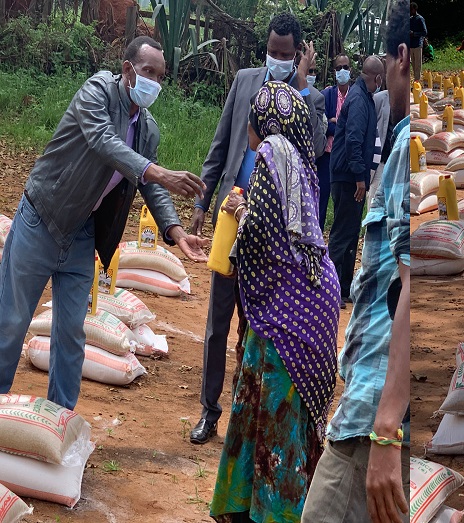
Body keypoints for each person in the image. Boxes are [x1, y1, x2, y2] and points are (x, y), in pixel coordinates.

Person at [0, 36, 208, 410]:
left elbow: (149, 187)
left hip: (82, 232)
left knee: (71, 334)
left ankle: (59, 420)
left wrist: (176, 232)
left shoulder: (148, 129)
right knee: (12, 321)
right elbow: (102, 141)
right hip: (42, 217)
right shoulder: (97, 90)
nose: (155, 83)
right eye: (148, 72)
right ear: (128, 70)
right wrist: (157, 172)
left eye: (161, 76)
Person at [188, 12, 328, 446]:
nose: (278, 59)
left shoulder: (312, 96)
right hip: (233, 217)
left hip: (276, 235)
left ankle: (244, 417)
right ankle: (209, 411)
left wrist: (300, 83)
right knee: (217, 320)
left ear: (299, 54)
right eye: (273, 51)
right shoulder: (245, 81)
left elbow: (316, 144)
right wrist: (201, 202)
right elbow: (219, 145)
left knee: (260, 327)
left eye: (286, 55)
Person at [208, 80, 340, 523]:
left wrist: (237, 212)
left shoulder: (268, 155)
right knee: (270, 403)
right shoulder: (300, 160)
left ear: (261, 122)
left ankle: (274, 513)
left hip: (288, 311)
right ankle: (248, 505)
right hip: (313, 299)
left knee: (275, 412)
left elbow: (262, 233)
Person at [302, 0, 410, 519]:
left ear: (400, 59)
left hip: (373, 412)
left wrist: (387, 427)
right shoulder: (374, 111)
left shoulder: (407, 142)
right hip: (376, 402)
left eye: (382, 67)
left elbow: (406, 287)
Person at [328, 55, 383, 309]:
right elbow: (353, 141)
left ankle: (344, 287)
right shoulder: (360, 99)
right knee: (342, 233)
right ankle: (326, 286)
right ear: (378, 78)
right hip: (348, 177)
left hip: (351, 175)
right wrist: (361, 177)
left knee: (351, 234)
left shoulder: (363, 95)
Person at [319, 54, 352, 232]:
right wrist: (340, 126)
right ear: (334, 71)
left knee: (342, 200)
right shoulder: (327, 95)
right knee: (321, 198)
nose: (342, 71)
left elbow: (355, 126)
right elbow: (322, 126)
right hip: (326, 156)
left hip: (346, 157)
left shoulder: (355, 95)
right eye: (338, 68)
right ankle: (317, 236)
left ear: (350, 70)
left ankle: (338, 240)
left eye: (345, 67)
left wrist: (334, 123)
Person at [409, 2, 426, 81]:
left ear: (415, 9)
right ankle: (416, 80)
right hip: (411, 44)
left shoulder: (420, 19)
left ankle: (417, 81)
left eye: (411, 9)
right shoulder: (410, 19)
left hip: (418, 44)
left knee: (417, 65)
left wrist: (414, 34)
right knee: (413, 64)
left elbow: (424, 32)